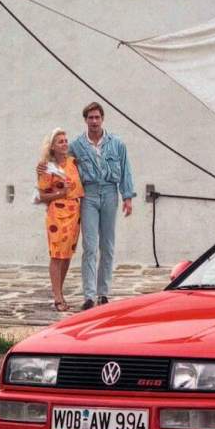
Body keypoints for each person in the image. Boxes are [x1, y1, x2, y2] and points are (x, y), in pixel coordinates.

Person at [40, 102, 136, 311]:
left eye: (97, 117)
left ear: (102, 119)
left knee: (107, 246)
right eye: (90, 118)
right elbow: (60, 160)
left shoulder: (116, 144)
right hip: (89, 195)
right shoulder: (77, 145)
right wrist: (44, 166)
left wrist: (127, 197)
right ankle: (89, 295)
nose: (94, 121)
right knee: (90, 246)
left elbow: (126, 170)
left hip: (110, 193)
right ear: (85, 120)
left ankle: (103, 293)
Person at [36, 128, 84, 312]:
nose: (64, 143)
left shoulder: (73, 162)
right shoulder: (47, 167)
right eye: (60, 141)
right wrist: (60, 193)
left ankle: (60, 292)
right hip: (57, 214)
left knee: (67, 256)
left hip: (74, 213)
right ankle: (57, 297)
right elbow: (41, 195)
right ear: (53, 147)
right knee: (57, 255)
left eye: (65, 140)